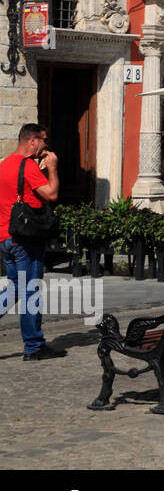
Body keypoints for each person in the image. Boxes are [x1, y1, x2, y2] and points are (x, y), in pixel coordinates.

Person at [0, 123, 64, 360]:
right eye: (44, 140)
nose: (46, 145)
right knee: (31, 291)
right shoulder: (28, 166)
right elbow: (52, 194)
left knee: (16, 288)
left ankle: (34, 343)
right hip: (26, 241)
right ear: (32, 141)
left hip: (5, 238)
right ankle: (34, 346)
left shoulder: (5, 164)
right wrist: (52, 168)